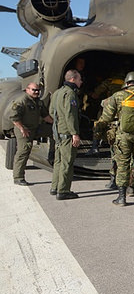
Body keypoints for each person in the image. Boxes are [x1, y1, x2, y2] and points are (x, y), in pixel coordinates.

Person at [95, 71, 134, 205]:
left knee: (123, 165)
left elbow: (106, 117)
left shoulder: (118, 96)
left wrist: (98, 131)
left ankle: (121, 198)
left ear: (127, 83)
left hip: (123, 136)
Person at [10, 83, 53, 185]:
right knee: (23, 151)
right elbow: (14, 118)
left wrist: (55, 124)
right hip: (24, 129)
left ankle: (53, 155)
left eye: (38, 90)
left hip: (35, 128)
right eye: (34, 90)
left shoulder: (38, 102)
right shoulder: (21, 101)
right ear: (27, 90)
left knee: (53, 132)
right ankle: (18, 177)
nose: (37, 92)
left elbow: (45, 116)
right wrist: (22, 128)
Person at [49, 69, 83, 200]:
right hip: (67, 134)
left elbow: (52, 112)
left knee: (58, 161)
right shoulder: (70, 94)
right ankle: (63, 190)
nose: (81, 82)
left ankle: (54, 187)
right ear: (73, 79)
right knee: (67, 162)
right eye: (79, 79)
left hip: (58, 132)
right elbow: (71, 115)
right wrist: (74, 133)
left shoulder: (57, 93)